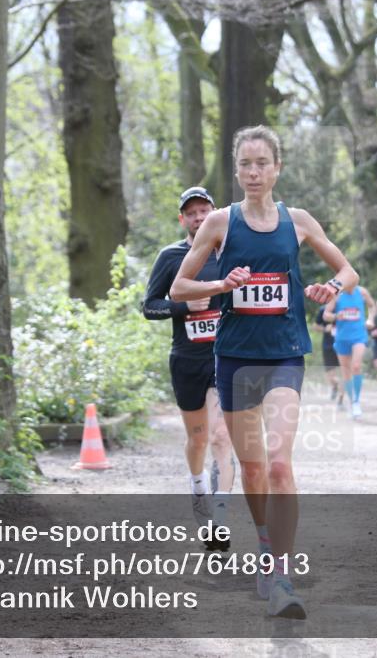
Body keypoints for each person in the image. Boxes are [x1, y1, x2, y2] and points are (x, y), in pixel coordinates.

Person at [171, 125, 359, 619]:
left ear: (277, 169)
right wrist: (220, 285)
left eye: (262, 163)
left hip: (284, 356)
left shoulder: (298, 221)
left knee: (277, 462)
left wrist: (331, 288)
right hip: (234, 357)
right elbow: (178, 288)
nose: (253, 172)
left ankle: (281, 575)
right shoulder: (219, 222)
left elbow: (348, 271)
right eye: (245, 165)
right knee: (252, 468)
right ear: (237, 172)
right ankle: (264, 541)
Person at [141, 186, 236, 544]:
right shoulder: (171, 257)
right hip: (187, 360)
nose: (198, 218)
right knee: (198, 439)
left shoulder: (231, 253)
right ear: (183, 219)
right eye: (191, 213)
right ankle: (198, 488)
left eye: (203, 211)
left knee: (222, 437)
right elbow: (149, 306)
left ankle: (220, 520)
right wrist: (182, 307)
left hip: (225, 357)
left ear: (214, 213)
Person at [323, 285, 375, 417]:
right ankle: (352, 402)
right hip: (342, 338)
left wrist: (370, 319)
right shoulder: (336, 295)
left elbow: (371, 305)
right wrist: (336, 316)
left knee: (356, 366)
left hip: (359, 336)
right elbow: (326, 315)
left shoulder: (362, 292)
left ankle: (356, 402)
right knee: (346, 373)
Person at [314, 305, 343, 405]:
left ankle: (341, 399)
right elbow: (316, 326)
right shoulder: (323, 309)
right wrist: (325, 329)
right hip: (328, 345)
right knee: (330, 375)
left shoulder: (344, 306)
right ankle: (335, 386)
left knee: (344, 373)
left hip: (343, 344)